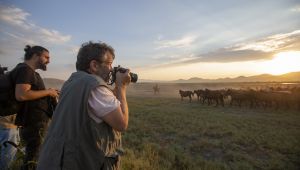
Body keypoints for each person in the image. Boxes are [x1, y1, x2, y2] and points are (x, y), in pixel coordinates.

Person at [37, 41, 131, 170]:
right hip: (79, 162)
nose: (111, 69)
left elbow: (104, 101)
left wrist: (116, 87)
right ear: (94, 65)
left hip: (57, 159)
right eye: (109, 63)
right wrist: (122, 87)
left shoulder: (73, 82)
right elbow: (122, 124)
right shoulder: (95, 87)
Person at [9, 45, 59, 170]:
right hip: (33, 124)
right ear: (36, 56)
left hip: (33, 123)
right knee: (33, 159)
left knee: (32, 156)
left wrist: (50, 92)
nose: (49, 61)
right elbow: (22, 95)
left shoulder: (27, 70)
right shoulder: (26, 70)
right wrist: (48, 92)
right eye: (46, 57)